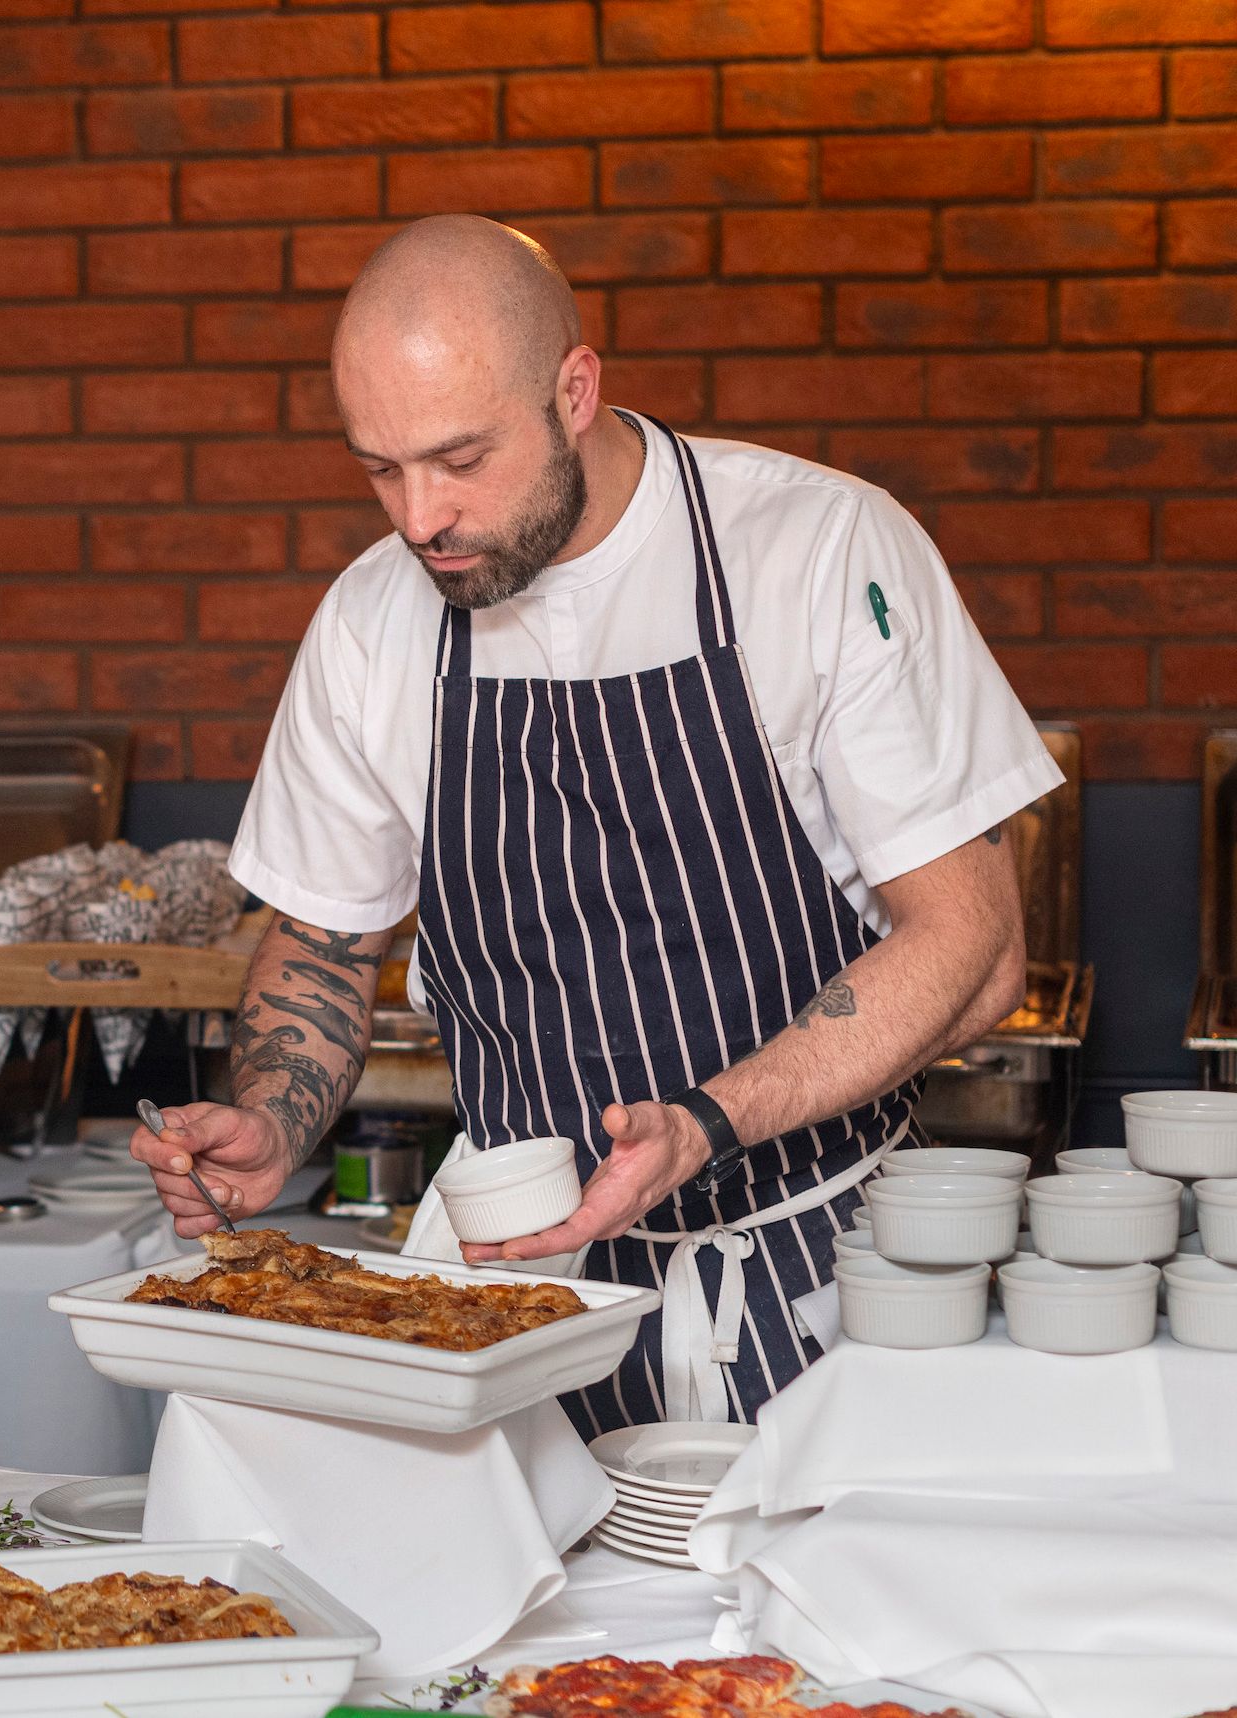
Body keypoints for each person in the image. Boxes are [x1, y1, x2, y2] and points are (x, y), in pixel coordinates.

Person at [132, 216, 1053, 1432]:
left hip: (826, 1281)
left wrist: (707, 1123)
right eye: (380, 468)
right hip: (511, 1305)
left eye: (460, 458)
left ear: (575, 388)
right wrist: (272, 1113)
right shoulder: (370, 623)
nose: (420, 518)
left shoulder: (817, 551)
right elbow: (323, 941)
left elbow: (974, 949)